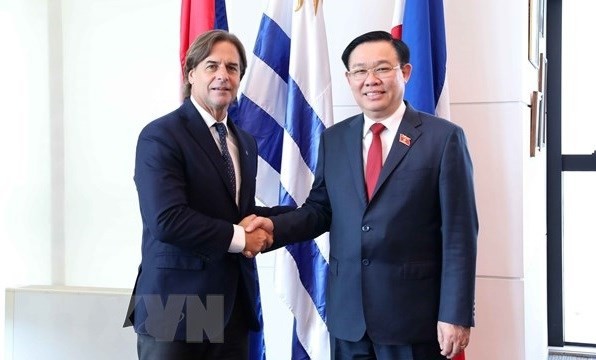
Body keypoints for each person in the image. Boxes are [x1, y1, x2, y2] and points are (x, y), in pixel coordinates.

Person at [245, 30, 478, 359]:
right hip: (349, 318)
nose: (371, 80)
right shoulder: (335, 139)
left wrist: (454, 313)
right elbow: (320, 210)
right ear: (348, 78)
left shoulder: (443, 139)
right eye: (360, 71)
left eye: (383, 68)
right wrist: (275, 228)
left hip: (413, 318)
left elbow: (460, 234)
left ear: (405, 72)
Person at [123, 30, 292, 360]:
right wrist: (243, 238)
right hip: (175, 302)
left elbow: (235, 212)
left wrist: (307, 216)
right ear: (191, 74)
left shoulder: (244, 142)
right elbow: (167, 219)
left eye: (232, 68)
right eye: (211, 65)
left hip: (232, 304)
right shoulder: (161, 135)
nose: (222, 76)